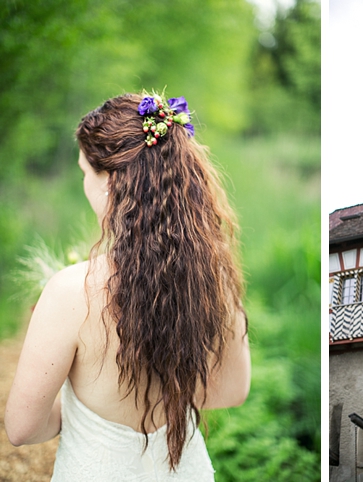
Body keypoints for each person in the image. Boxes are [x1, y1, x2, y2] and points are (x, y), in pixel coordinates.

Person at [4, 92, 251, 480]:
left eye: (86, 173)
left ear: (113, 183)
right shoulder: (212, 278)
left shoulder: (71, 291)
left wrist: (83, 405)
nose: (85, 185)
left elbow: (21, 428)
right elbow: (232, 391)